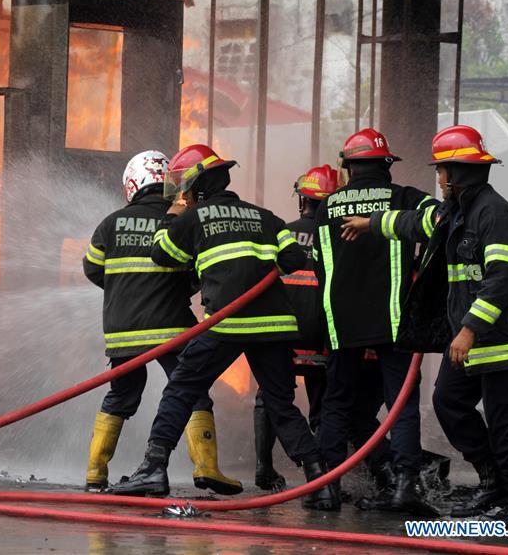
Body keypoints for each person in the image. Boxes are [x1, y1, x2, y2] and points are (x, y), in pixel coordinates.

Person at [109, 144, 339, 511]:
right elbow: (294, 257)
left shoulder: (193, 217)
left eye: (184, 187)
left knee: (181, 390)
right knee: (281, 403)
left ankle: (154, 469)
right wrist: (258, 274)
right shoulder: (263, 216)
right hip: (274, 324)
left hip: (227, 322)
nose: (181, 193)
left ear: (197, 187)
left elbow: (162, 255)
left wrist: (173, 214)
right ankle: (320, 482)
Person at [341, 125, 508, 528]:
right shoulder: (458, 212)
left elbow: (501, 280)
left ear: (456, 173)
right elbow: (414, 223)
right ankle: (493, 481)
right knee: (449, 403)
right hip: (470, 343)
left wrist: (467, 329)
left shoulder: (495, 215)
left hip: (502, 346)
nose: (438, 180)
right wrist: (371, 223)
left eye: (441, 172)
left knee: (506, 425)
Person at [82, 150, 242, 495]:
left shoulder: (110, 224)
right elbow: (199, 271)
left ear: (132, 184)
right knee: (191, 391)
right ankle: (207, 468)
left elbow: (93, 268)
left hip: (123, 330)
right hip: (172, 326)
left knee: (121, 396)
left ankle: (95, 474)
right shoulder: (183, 220)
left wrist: (125, 291)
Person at [313, 128, 439, 514]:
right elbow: (444, 219)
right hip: (394, 318)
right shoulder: (405, 198)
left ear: (349, 166)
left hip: (342, 320)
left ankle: (326, 487)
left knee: (336, 401)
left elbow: (321, 266)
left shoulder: (327, 206)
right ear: (386, 165)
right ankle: (404, 483)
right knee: (400, 403)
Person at [253, 165, 335, 491]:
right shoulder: (339, 237)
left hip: (282, 335)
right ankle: (326, 475)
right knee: (324, 406)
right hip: (323, 340)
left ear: (303, 200)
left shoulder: (282, 233)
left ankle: (263, 468)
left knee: (269, 397)